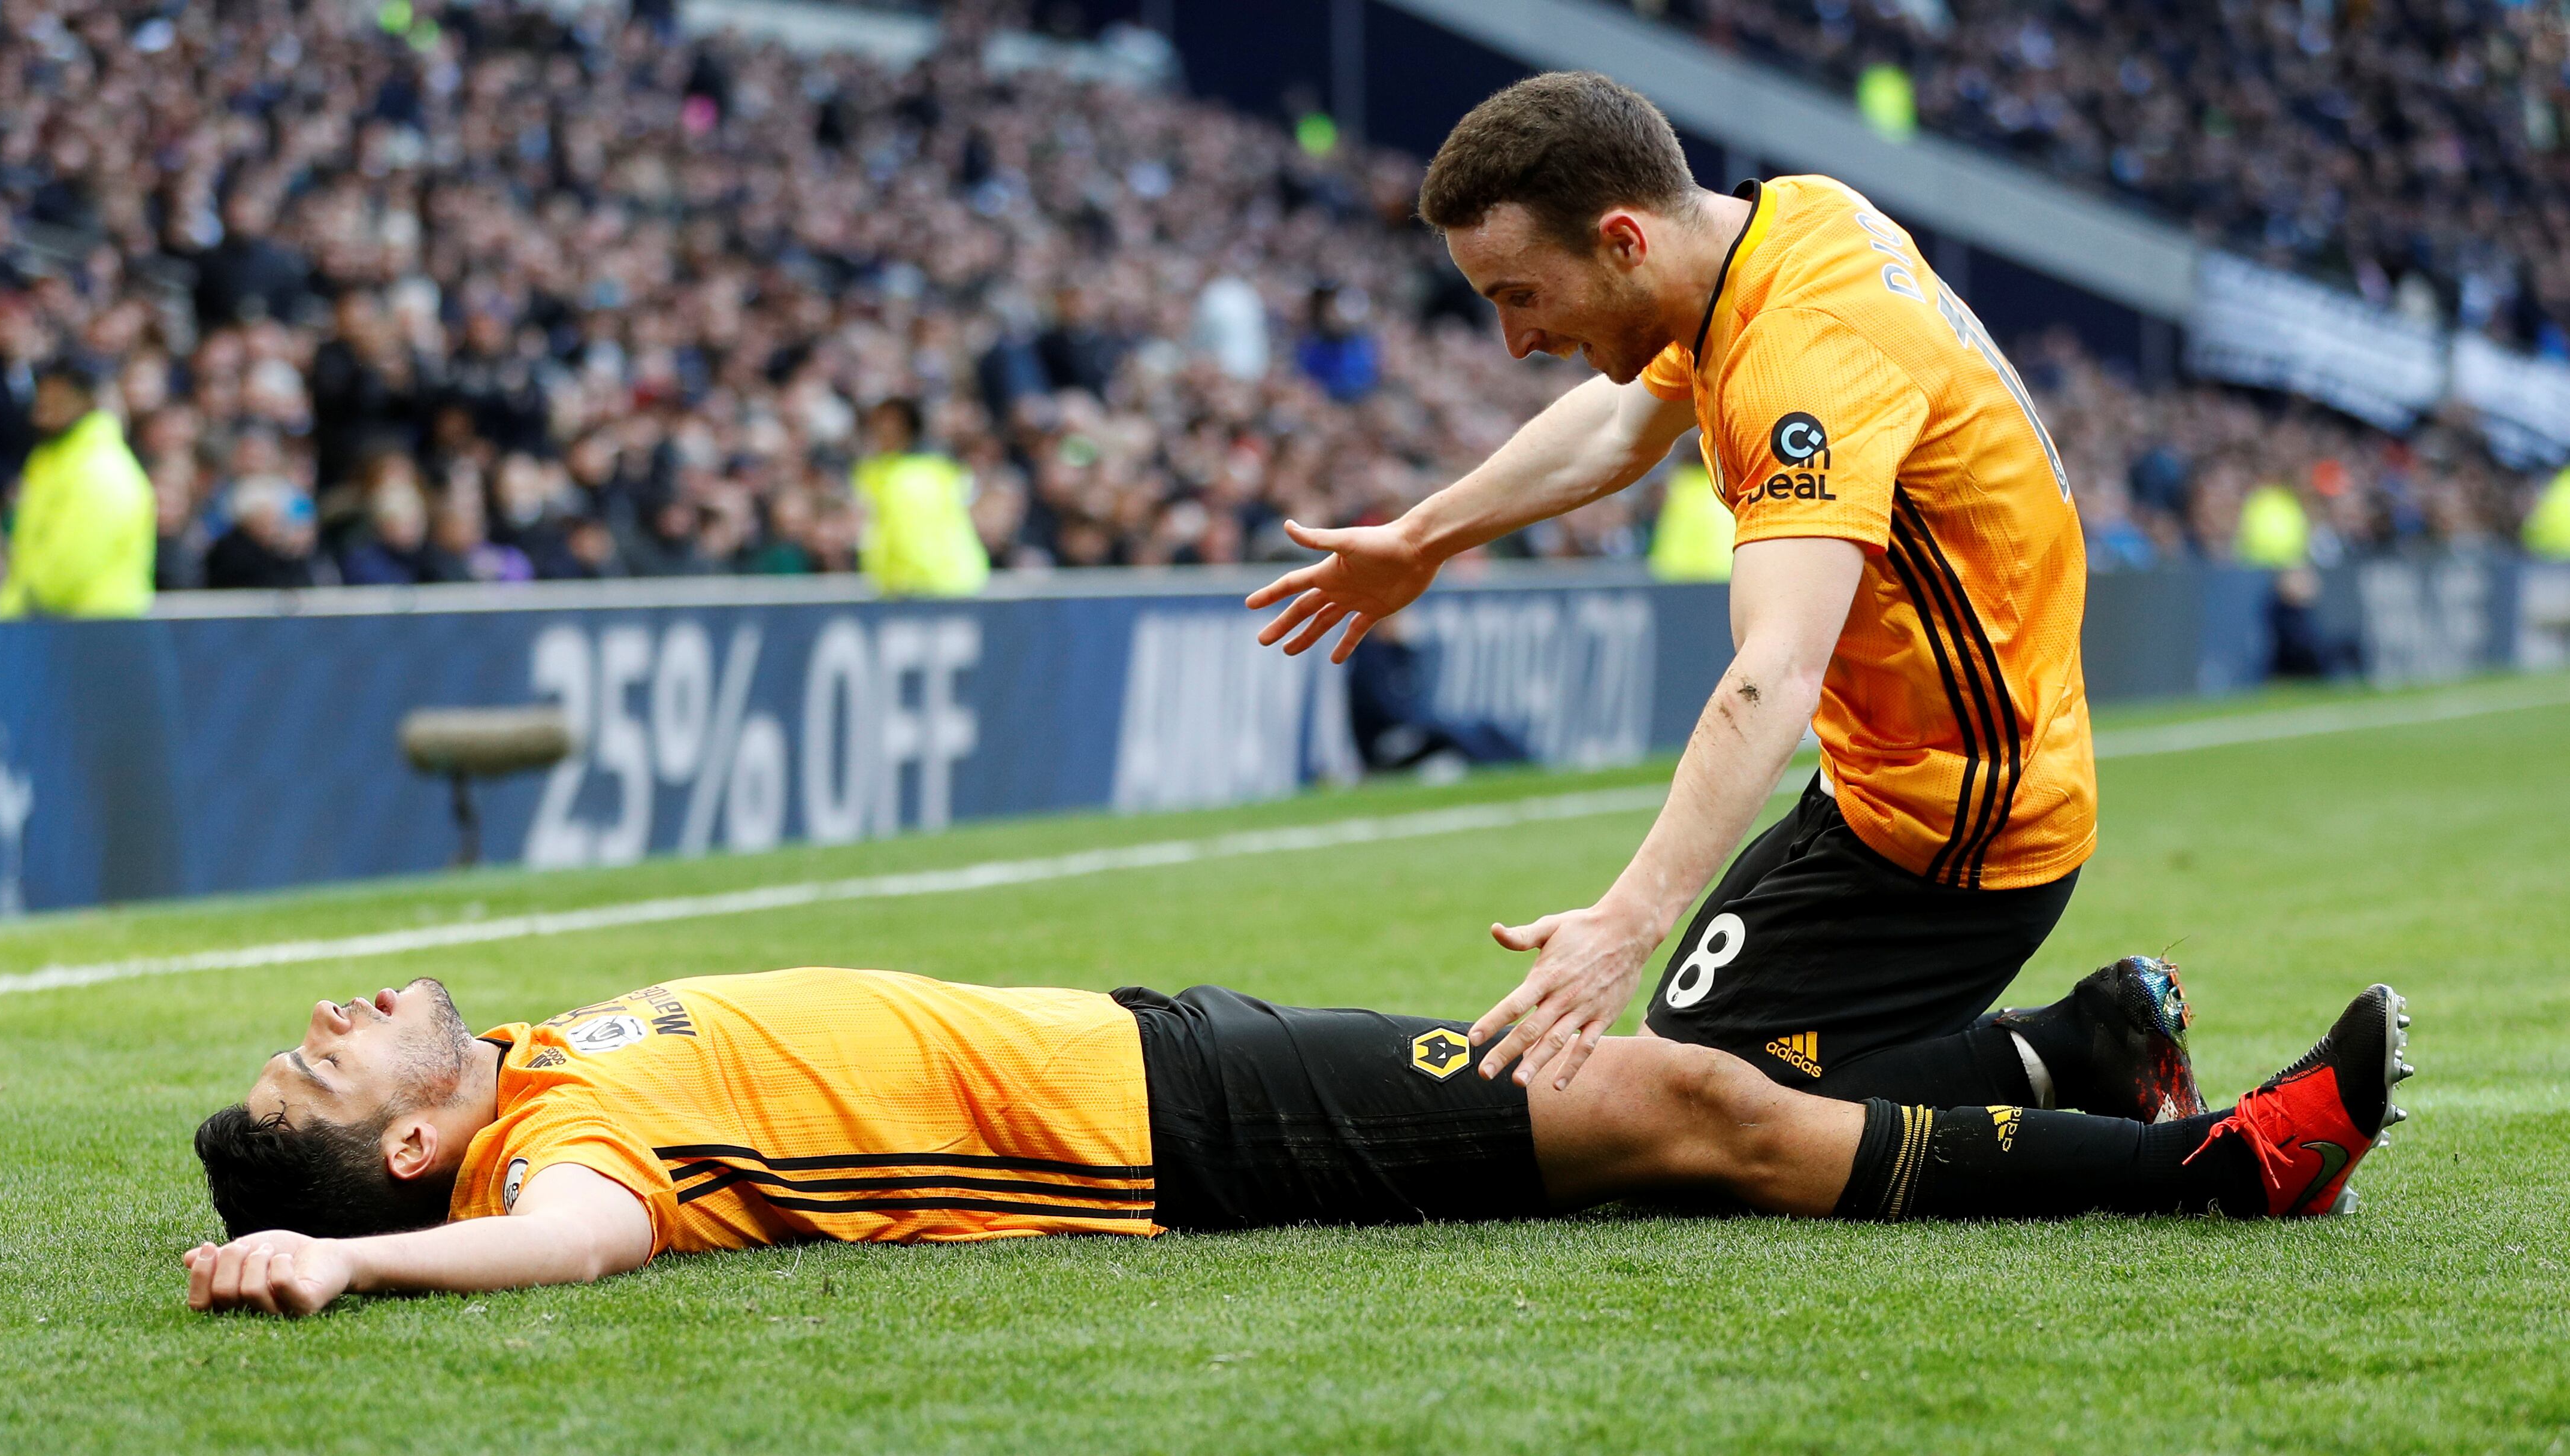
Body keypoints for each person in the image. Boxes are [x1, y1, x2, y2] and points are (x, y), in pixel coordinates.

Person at [1248, 73, 2152, 1121]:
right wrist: (1420, 538)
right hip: (1886, 785)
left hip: (1964, 824)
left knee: (1688, 1108)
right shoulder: (1781, 230)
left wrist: (1626, 919)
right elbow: (1618, 423)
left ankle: (2078, 1051)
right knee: (1681, 1059)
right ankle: (2058, 1048)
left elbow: (1773, 673)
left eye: (1519, 294)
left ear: (1624, 240)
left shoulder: (1803, 354)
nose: (1514, 341)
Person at [183, 968, 2411, 1317]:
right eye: (316, 1073)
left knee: (1659, 1098)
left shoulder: (549, 1041)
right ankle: (2216, 1167)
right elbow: (577, 1244)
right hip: (1191, 1131)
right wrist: (350, 1267)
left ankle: (2050, 1073)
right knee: (1686, 1105)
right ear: (402, 1156)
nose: (324, 1024)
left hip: (1168, 1051)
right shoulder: (551, 1145)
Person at [0, 353, 156, 619]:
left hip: (92, 637)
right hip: (61, 635)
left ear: (84, 399)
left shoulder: (100, 470)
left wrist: (16, 611)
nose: (42, 404)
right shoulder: (53, 461)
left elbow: (62, 576)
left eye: (54, 393)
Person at [852, 396, 989, 597]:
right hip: (956, 585)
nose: (879, 433)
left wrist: (899, 583)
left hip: (925, 589)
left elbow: (909, 539)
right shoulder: (943, 470)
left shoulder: (905, 479)